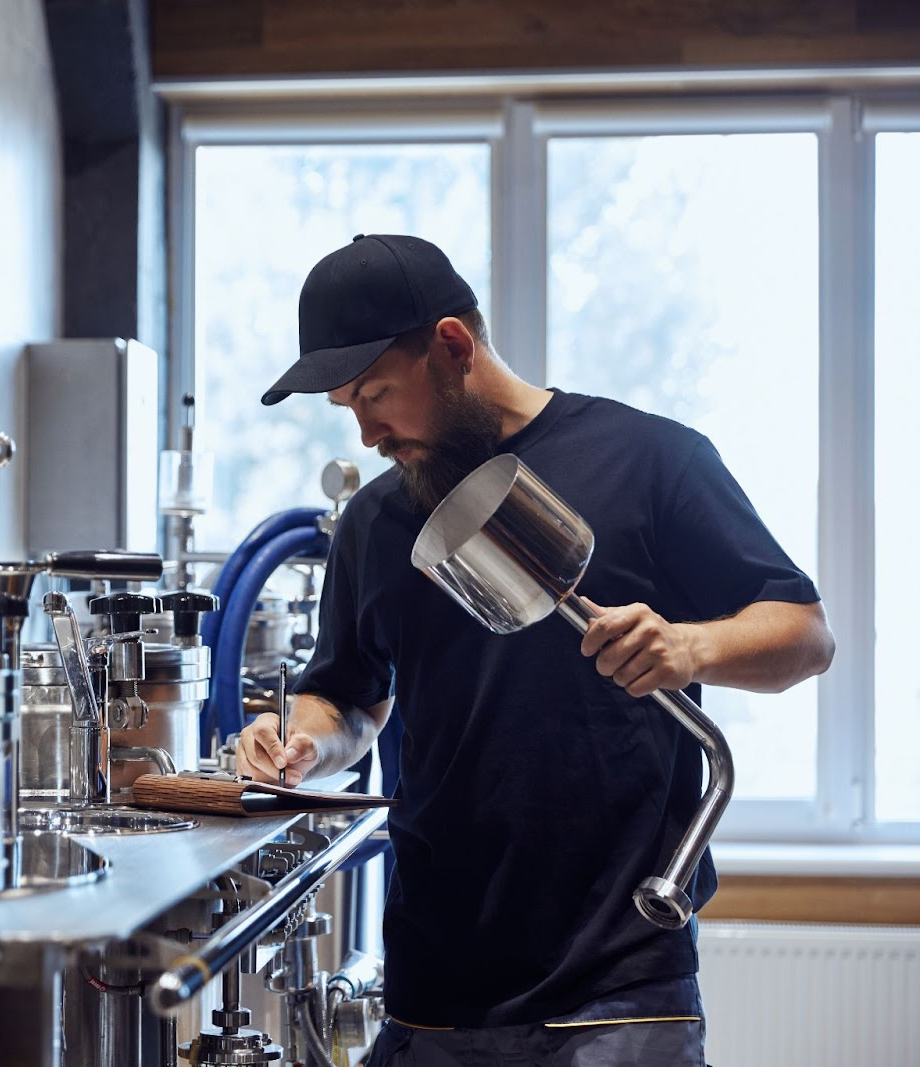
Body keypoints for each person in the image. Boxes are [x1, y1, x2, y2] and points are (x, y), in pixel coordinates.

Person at [238, 234, 836, 1066]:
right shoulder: (376, 524)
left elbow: (804, 634)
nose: (368, 431)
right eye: (348, 407)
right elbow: (347, 696)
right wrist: (304, 744)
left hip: (618, 991)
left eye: (376, 393)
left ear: (453, 346)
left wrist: (690, 646)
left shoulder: (652, 461)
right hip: (432, 998)